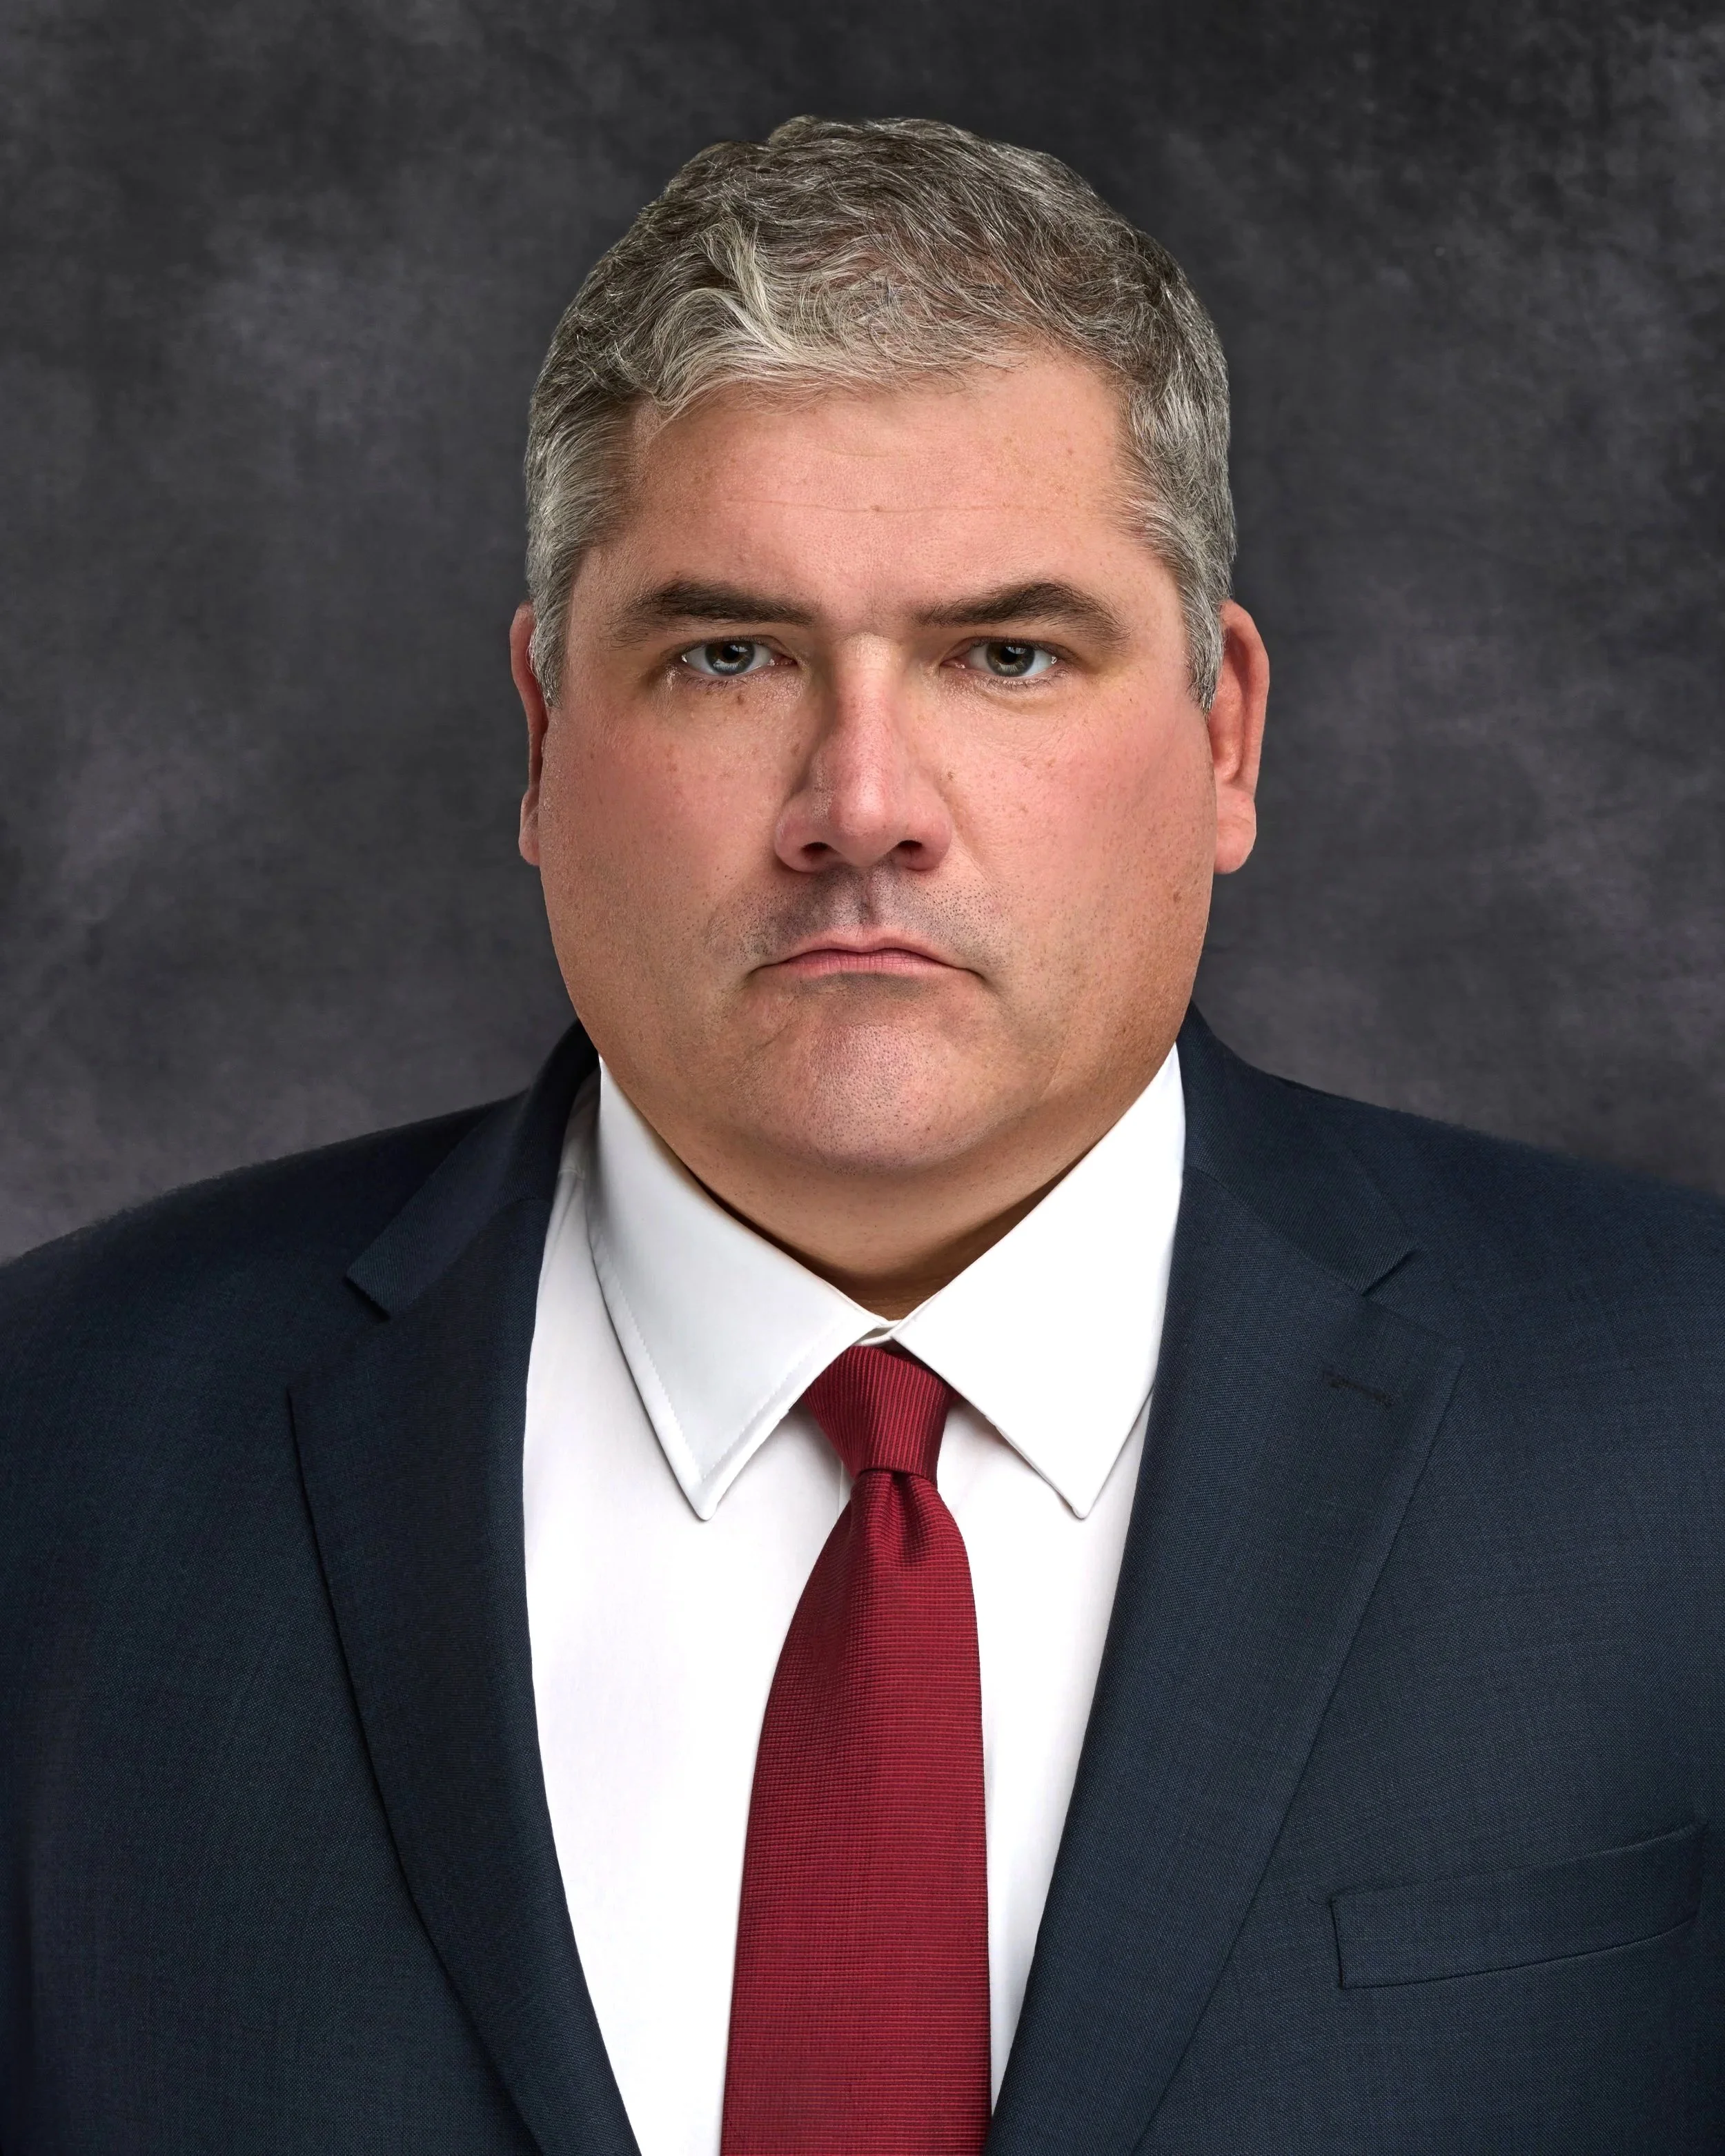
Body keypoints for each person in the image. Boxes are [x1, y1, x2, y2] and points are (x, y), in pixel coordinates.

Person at [1, 114, 1722, 2156]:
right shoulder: (55, 1443)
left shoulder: (1683, 1420)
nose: (863, 800)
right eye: (728, 653)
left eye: (1007, 652)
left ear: (1224, 735)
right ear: (548, 735)